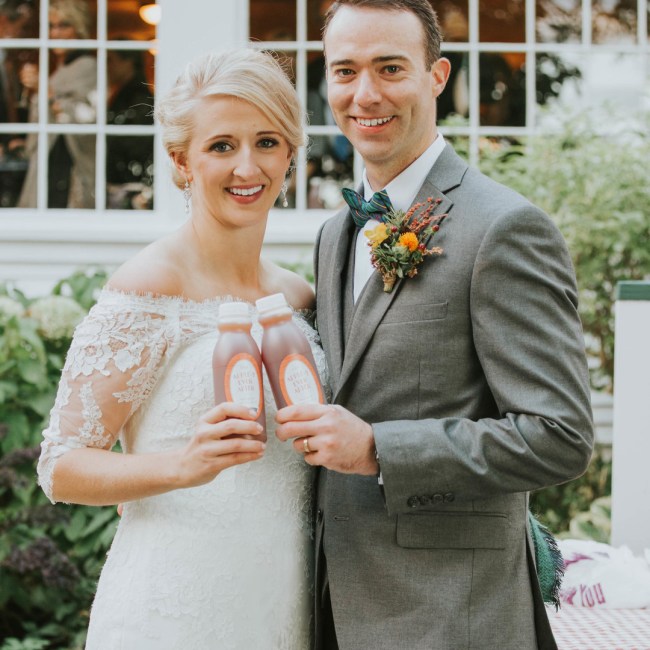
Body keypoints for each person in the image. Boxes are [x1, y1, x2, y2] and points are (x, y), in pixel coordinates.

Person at [275, 1, 594, 649]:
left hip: (454, 615)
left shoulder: (503, 229)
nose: (365, 93)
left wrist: (378, 449)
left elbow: (559, 436)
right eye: (345, 71)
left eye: (390, 68)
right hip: (336, 607)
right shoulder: (335, 234)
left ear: (437, 77)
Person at [37, 48, 326, 649]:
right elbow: (61, 466)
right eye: (222, 146)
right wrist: (180, 466)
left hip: (284, 606)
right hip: (172, 608)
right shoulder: (148, 289)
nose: (248, 167)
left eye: (267, 142)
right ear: (180, 162)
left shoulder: (298, 297)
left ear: (291, 154)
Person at [18, 0, 96, 208]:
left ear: (79, 28)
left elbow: (82, 118)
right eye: (51, 26)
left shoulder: (87, 67)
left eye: (64, 25)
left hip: (66, 167)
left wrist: (43, 88)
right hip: (48, 161)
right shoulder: (60, 70)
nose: (56, 33)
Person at [105, 47, 154, 208]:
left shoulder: (139, 99)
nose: (106, 66)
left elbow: (137, 145)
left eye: (110, 60)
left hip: (131, 186)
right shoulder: (122, 95)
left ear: (129, 61)